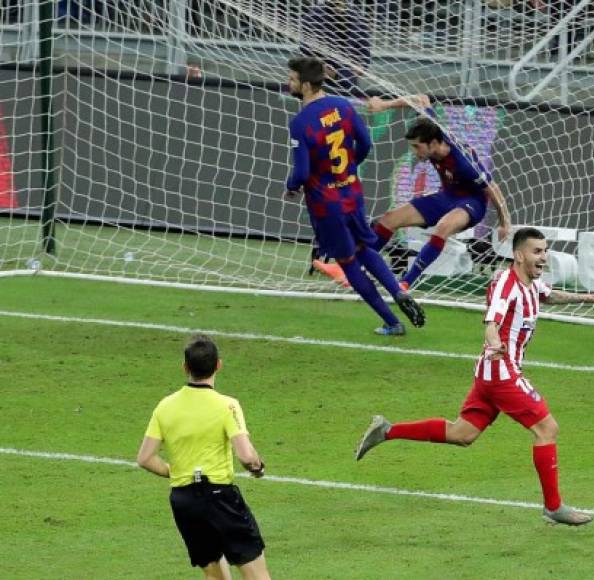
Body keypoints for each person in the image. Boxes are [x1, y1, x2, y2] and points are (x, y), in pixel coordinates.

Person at [355, 227, 594, 526]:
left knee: (462, 434)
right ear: (519, 255)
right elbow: (492, 319)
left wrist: (592, 298)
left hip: (490, 374)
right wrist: (494, 342)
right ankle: (553, 507)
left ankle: (386, 430)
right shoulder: (506, 285)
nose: (544, 257)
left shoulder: (531, 282)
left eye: (545, 251)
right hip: (501, 372)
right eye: (537, 251)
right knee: (547, 429)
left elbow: (550, 296)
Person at [286, 57, 426, 336]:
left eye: (291, 79)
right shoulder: (343, 106)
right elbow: (365, 143)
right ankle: (398, 291)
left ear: (304, 84)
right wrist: (349, 167)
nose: (287, 83)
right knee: (365, 248)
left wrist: (291, 186)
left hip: (326, 204)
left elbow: (301, 172)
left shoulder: (300, 123)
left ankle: (392, 321)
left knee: (348, 262)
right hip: (352, 191)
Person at [136, 335, 271, 580]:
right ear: (218, 365)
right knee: (257, 576)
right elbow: (246, 455)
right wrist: (257, 467)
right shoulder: (227, 405)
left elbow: (145, 458)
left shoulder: (165, 406)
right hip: (220, 498)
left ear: (185, 367)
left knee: (215, 575)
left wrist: (175, 472)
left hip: (184, 501)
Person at [366, 94, 513, 291]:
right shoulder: (433, 128)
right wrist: (384, 105)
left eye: (417, 146)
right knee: (390, 219)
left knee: (443, 227)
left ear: (433, 144)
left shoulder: (463, 162)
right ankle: (356, 268)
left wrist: (505, 223)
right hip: (447, 195)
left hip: (472, 203)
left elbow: (492, 189)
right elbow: (421, 99)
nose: (414, 151)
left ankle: (405, 283)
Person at [300, 0, 371, 97]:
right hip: (318, 83)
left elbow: (364, 58)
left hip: (347, 86)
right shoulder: (313, 16)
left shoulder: (358, 20)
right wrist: (321, 68)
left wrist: (344, 74)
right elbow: (305, 49)